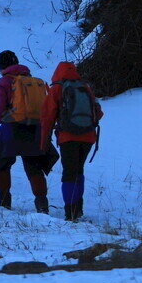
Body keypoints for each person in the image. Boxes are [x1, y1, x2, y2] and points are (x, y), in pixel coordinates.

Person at [0, 51, 58, 213]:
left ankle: (4, 201)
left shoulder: (3, 82)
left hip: (12, 129)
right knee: (34, 166)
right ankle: (42, 204)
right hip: (35, 128)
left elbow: (0, 115)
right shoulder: (34, 81)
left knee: (2, 163)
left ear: (1, 66)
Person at [41, 61, 103, 221]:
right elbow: (99, 113)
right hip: (88, 137)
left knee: (69, 172)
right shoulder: (85, 87)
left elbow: (47, 117)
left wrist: (44, 142)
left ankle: (71, 212)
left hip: (68, 137)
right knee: (79, 170)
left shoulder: (56, 89)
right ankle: (78, 208)